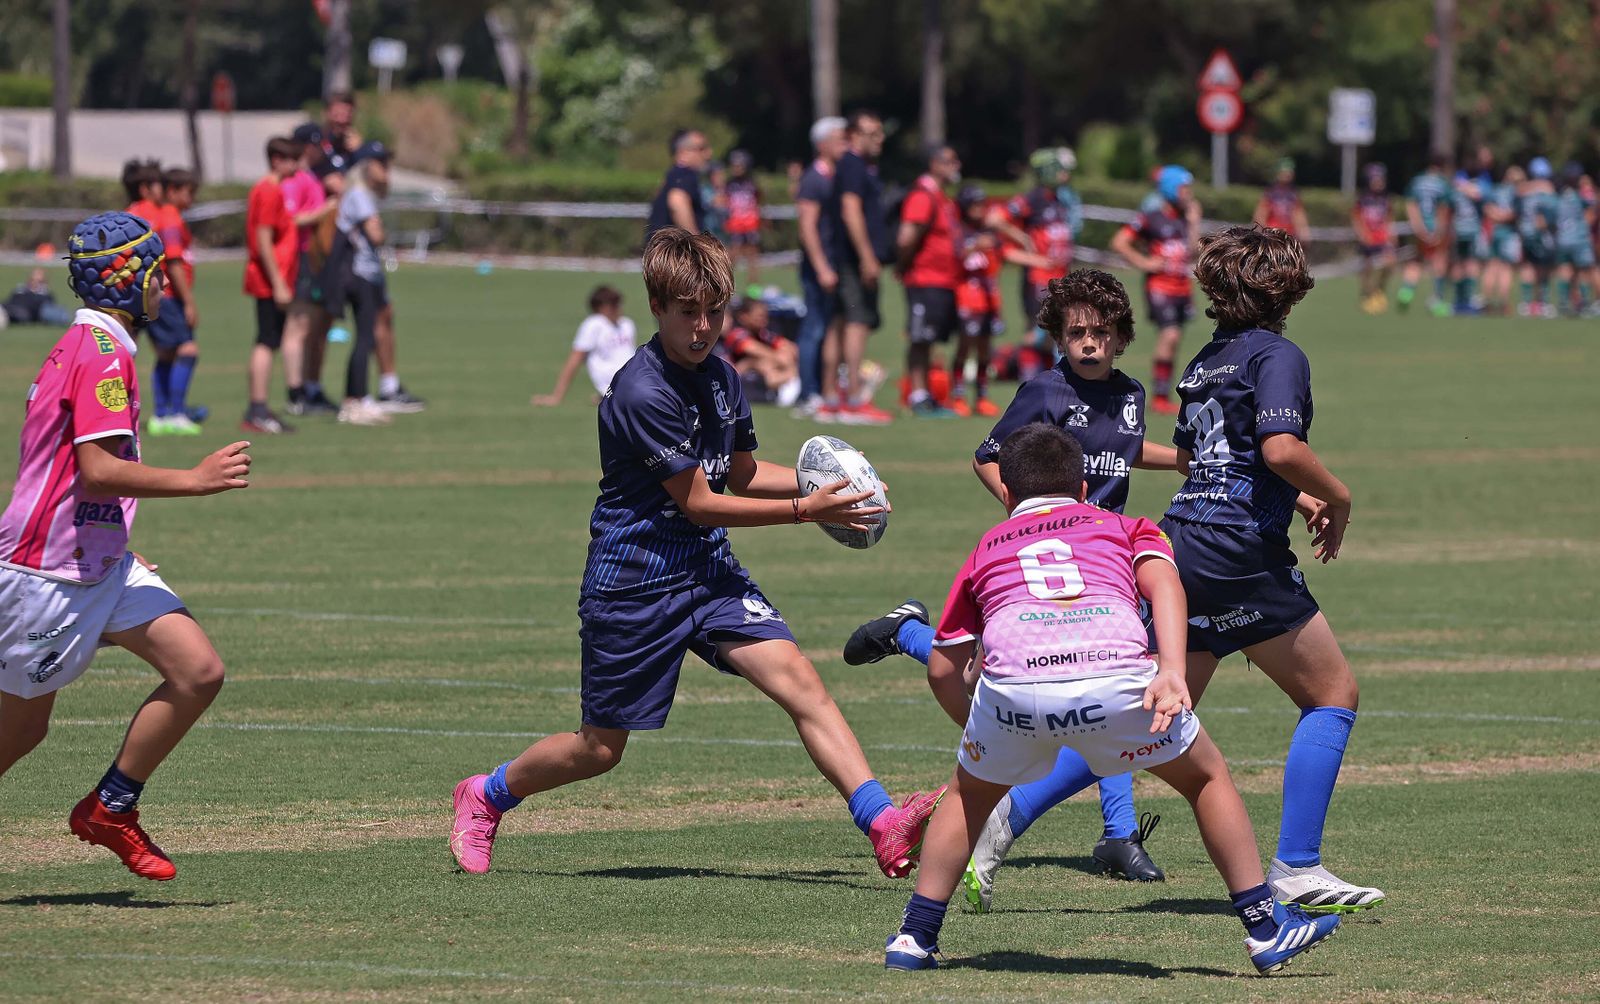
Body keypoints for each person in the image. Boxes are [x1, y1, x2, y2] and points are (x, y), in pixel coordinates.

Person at [447, 227, 943, 881]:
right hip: (634, 580)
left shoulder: (723, 379)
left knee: (802, 686)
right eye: (689, 312)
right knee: (600, 750)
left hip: (707, 572)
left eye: (715, 310)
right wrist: (807, 510)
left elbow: (737, 473)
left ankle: (882, 823)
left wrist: (824, 485)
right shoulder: (640, 391)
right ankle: (487, 794)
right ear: (657, 307)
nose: (704, 327)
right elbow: (701, 501)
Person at [880, 423, 1340, 974]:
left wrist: (978, 727)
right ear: (1082, 490)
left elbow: (942, 665)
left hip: (1015, 694)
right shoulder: (1124, 525)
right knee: (1206, 778)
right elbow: (1166, 584)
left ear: (1006, 493)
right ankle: (1265, 929)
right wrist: (1171, 670)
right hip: (1118, 681)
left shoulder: (985, 548)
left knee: (967, 794)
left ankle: (914, 938)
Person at [845, 269, 1181, 908]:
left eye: (1102, 332)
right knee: (1053, 678)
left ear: (1121, 337)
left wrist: (1193, 460)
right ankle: (911, 633)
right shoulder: (1043, 392)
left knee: (1114, 679)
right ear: (1058, 335)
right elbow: (987, 454)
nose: (1089, 343)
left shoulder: (1132, 394)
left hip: (1106, 563)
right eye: (1076, 331)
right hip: (1051, 560)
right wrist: (1025, 513)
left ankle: (1118, 834)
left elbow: (1128, 451)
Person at [0, 211, 251, 883]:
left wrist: (118, 544)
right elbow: (99, 469)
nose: (164, 283)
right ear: (129, 281)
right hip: (47, 572)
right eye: (156, 271)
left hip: (96, 562)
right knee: (19, 733)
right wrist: (195, 480)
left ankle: (111, 806)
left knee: (198, 670)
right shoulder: (102, 353)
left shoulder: (96, 344)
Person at [1160, 224, 1385, 913]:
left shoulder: (1204, 360)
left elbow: (1212, 463)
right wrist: (1338, 496)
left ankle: (997, 826)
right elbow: (1280, 448)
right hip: (1238, 551)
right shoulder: (1277, 353)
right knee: (1332, 693)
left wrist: (1299, 497)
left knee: (1150, 717)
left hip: (1180, 545)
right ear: (1289, 285)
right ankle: (1298, 867)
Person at [329, 141, 423, 424]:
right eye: (382, 163)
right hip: (360, 273)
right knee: (365, 336)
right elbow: (376, 234)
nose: (386, 170)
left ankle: (359, 398)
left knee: (368, 335)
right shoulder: (359, 194)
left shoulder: (360, 194)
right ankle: (355, 400)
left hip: (367, 272)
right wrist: (378, 227)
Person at [948, 186, 1054, 418]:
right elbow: (955, 257)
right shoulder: (959, 231)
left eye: (982, 204)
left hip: (989, 302)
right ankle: (958, 397)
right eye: (975, 204)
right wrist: (974, 246)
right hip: (967, 299)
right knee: (965, 348)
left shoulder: (990, 234)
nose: (979, 209)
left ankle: (982, 397)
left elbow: (1007, 253)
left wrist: (1038, 260)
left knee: (985, 351)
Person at [821, 109, 893, 425]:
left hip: (846, 257)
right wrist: (867, 256)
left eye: (879, 132)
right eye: (871, 132)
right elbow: (851, 211)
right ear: (853, 136)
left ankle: (830, 398)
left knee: (839, 322)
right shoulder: (853, 164)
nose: (879, 138)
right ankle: (852, 397)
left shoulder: (858, 166)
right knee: (856, 322)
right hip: (852, 258)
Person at [1110, 165, 1201, 416]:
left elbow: (1193, 251)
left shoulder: (1184, 217)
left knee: (1174, 340)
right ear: (1171, 189)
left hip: (1182, 287)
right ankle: (1159, 397)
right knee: (1169, 335)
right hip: (1160, 287)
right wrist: (1144, 262)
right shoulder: (1151, 217)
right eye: (1184, 188)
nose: (1188, 193)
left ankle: (1164, 393)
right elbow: (1120, 242)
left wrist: (1194, 222)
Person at [896, 144, 965, 418]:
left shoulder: (940, 197)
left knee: (931, 339)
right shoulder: (923, 196)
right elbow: (906, 237)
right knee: (920, 338)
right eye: (950, 160)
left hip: (942, 281)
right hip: (925, 279)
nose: (955, 165)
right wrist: (904, 264)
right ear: (934, 164)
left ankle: (927, 395)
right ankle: (918, 395)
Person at [241, 136, 304, 434]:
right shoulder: (268, 191)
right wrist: (278, 282)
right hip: (268, 280)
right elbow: (263, 240)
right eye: (292, 159)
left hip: (273, 277)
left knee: (270, 340)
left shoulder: (272, 190)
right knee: (266, 341)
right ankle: (257, 408)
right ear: (277, 159)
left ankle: (260, 408)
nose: (297, 165)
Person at [281, 123, 343, 417]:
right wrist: (326, 210)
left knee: (312, 327)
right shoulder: (294, 180)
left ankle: (307, 387)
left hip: (314, 258)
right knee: (298, 327)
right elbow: (290, 219)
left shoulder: (308, 177)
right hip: (300, 258)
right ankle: (295, 393)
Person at [141, 167, 207, 436]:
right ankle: (176, 412)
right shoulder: (170, 218)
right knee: (188, 350)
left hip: (162, 296)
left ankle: (162, 414)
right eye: (188, 193)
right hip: (169, 297)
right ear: (172, 191)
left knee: (166, 353)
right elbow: (174, 262)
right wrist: (189, 302)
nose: (191, 199)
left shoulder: (167, 215)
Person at [996, 148, 1080, 351]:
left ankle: (1047, 377)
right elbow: (996, 219)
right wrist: (1022, 238)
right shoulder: (1033, 198)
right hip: (1038, 278)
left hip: (1060, 277)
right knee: (1038, 332)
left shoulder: (1059, 200)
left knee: (1055, 334)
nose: (1065, 173)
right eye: (1059, 169)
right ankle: (1013, 363)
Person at [792, 117, 847, 418]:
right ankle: (808, 393)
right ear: (822, 144)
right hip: (818, 268)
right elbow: (807, 226)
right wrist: (822, 266)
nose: (845, 144)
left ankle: (824, 390)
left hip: (830, 265)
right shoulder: (814, 179)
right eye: (840, 139)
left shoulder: (834, 176)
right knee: (813, 328)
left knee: (827, 328)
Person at [532, 285, 638, 406]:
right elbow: (575, 359)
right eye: (613, 304)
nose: (618, 307)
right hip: (622, 384)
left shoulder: (627, 324)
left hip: (633, 380)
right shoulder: (594, 324)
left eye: (618, 303)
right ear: (600, 307)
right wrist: (556, 396)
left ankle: (607, 395)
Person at [1397, 154, 1453, 317]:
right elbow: (1443, 209)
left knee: (1417, 260)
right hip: (1435, 228)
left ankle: (1406, 292)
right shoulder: (1443, 183)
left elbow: (1411, 205)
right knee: (1439, 262)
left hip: (1418, 228)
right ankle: (1436, 300)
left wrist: (1417, 227)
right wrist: (1438, 230)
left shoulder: (1417, 181)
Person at [718, 296, 801, 406]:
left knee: (774, 361)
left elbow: (789, 347)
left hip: (762, 375)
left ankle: (791, 383)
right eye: (759, 316)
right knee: (761, 364)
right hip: (737, 378)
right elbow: (754, 349)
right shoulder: (736, 334)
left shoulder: (762, 333)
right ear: (744, 317)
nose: (764, 320)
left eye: (766, 316)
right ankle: (793, 381)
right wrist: (781, 359)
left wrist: (785, 355)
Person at [644, 129, 710, 239]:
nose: (708, 154)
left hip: (660, 250)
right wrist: (697, 243)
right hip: (671, 251)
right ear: (683, 152)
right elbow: (677, 200)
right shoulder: (685, 174)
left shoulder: (673, 175)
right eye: (701, 148)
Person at [1553, 161, 1598, 315]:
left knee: (1565, 270)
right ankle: (1585, 303)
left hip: (1563, 238)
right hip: (1579, 239)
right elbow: (1592, 209)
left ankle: (1564, 303)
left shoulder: (1559, 195)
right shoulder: (1581, 194)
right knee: (1586, 270)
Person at [1352, 164, 1398, 314]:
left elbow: (1389, 219)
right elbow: (1356, 218)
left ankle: (1379, 290)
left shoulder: (1386, 199)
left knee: (1390, 263)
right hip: (1368, 238)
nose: (1379, 183)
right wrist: (1362, 234)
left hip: (1382, 237)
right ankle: (1367, 294)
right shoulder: (1363, 199)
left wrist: (1392, 234)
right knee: (1368, 267)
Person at [1516, 158, 1559, 317]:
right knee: (1543, 269)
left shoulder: (1525, 191)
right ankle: (1543, 303)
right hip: (1541, 235)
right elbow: (1549, 217)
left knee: (1527, 267)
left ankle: (1526, 304)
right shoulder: (1547, 191)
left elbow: (1517, 209)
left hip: (1525, 233)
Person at [1481, 165, 1524, 315]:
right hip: (1509, 234)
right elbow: (1515, 214)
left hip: (1495, 233)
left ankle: (1486, 303)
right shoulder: (1517, 193)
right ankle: (1504, 304)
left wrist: (1496, 216)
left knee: (1491, 267)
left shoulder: (1496, 189)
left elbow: (1487, 209)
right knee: (1506, 269)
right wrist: (1504, 217)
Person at [1448, 169, 1488, 315]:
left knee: (1464, 264)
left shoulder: (1456, 192)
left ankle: (1464, 299)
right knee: (1467, 264)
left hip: (1462, 231)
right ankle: (1463, 299)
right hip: (1467, 232)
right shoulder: (1462, 192)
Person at [723, 150, 763, 283]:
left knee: (752, 255)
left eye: (739, 165)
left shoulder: (752, 184)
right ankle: (725, 284)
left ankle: (753, 288)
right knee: (733, 254)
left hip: (750, 224)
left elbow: (758, 199)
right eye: (734, 165)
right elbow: (724, 201)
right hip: (735, 224)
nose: (736, 168)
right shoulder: (729, 184)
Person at [1254, 158, 1310, 243]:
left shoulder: (1293, 193)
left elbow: (1297, 213)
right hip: (1272, 233)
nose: (1287, 174)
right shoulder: (1270, 193)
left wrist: (1303, 230)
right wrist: (1260, 230)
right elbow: (1261, 212)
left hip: (1289, 234)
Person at [2, 267, 74, 327]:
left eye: (39, 281)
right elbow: (8, 301)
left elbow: (48, 310)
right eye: (32, 279)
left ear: (44, 282)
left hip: (20, 314)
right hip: (7, 309)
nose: (34, 282)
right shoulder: (20, 291)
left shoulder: (45, 295)